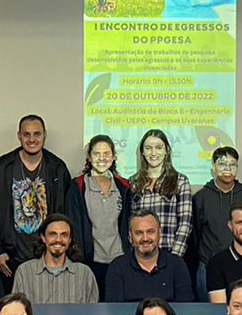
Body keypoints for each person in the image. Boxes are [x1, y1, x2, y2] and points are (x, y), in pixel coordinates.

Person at [0, 115, 81, 289]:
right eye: (27, 134)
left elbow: (66, 215)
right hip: (10, 258)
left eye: (37, 134)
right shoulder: (3, 167)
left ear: (44, 135)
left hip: (48, 257)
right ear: (19, 136)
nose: (32, 139)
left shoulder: (57, 168)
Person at [192, 146, 242, 298]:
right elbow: (195, 234)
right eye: (222, 164)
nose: (227, 169)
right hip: (207, 265)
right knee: (207, 311)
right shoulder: (201, 197)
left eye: (232, 164)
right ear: (213, 167)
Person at [74, 134, 132, 296]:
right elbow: (74, 226)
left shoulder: (124, 186)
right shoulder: (78, 186)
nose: (102, 158)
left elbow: (128, 223)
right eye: (96, 153)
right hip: (90, 262)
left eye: (106, 153)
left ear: (113, 157)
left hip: (119, 260)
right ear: (89, 157)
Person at [104, 211, 195, 302]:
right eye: (139, 233)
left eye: (150, 232)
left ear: (159, 233)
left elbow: (185, 307)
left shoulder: (177, 265)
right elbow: (115, 309)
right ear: (130, 236)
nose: (145, 238)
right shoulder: (117, 268)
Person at [129, 129, 193, 257]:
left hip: (169, 252)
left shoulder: (180, 181)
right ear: (142, 152)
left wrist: (174, 258)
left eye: (158, 147)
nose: (153, 153)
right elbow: (130, 224)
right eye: (148, 148)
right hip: (140, 255)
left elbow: (185, 224)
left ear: (166, 150)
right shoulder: (133, 182)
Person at [12, 213, 99, 303]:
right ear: (43, 237)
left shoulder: (85, 274)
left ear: (70, 240)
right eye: (53, 234)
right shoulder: (24, 272)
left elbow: (93, 310)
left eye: (64, 235)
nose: (58, 239)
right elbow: (15, 309)